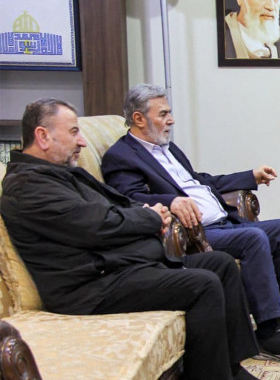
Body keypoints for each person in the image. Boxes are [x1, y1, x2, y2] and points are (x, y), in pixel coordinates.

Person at [0, 99, 258, 380]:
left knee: (221, 264)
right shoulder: (28, 186)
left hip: (116, 270)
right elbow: (96, 226)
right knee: (202, 284)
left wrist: (147, 212)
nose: (82, 141)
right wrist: (151, 220)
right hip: (89, 289)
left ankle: (233, 367)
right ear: (43, 136)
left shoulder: (58, 173)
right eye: (74, 131)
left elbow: (115, 204)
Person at [101, 84, 280, 364]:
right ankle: (267, 331)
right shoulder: (121, 156)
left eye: (170, 113)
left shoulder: (168, 149)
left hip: (224, 222)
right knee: (253, 238)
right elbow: (129, 198)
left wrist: (249, 176)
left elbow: (201, 182)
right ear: (139, 118)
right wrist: (170, 201)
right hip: (194, 233)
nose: (171, 120)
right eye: (164, 114)